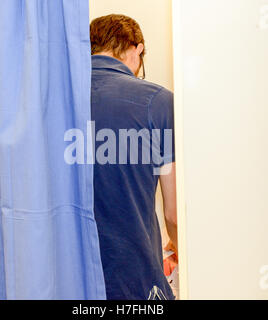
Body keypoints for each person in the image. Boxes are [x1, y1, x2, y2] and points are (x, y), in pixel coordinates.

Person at [90, 14, 177, 300]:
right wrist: (179, 248)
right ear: (137, 49)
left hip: (71, 275)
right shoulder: (157, 101)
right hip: (136, 278)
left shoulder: (56, 97)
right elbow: (172, 211)